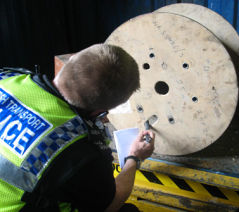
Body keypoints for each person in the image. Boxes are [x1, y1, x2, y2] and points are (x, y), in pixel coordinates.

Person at [0, 43, 155, 212]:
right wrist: (134, 158)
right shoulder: (77, 149)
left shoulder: (8, 77)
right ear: (101, 111)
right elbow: (111, 204)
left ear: (72, 59)